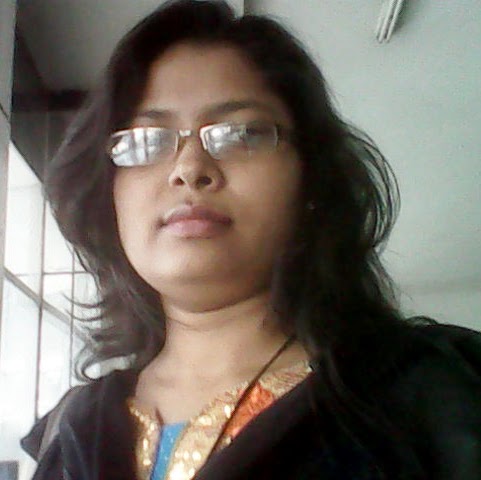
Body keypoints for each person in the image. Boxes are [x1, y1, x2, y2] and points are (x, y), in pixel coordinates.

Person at [21, 1, 481, 479]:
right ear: (108, 195)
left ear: (311, 179)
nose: (189, 169)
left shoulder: (435, 400)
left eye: (241, 134)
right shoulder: (71, 432)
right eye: (144, 141)